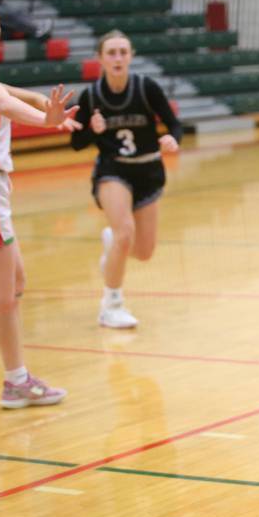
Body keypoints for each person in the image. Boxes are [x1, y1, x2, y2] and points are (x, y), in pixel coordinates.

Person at [0, 0, 77, 408]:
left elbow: (1, 92)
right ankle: (16, 379)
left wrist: (35, 99)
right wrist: (46, 120)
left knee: (13, 285)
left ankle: (17, 379)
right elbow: (0, 102)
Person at [71, 30, 182, 329]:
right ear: (100, 59)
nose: (118, 57)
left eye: (123, 52)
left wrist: (172, 137)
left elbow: (173, 123)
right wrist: (91, 130)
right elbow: (76, 143)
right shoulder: (92, 95)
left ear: (131, 56)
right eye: (111, 52)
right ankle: (111, 305)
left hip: (148, 170)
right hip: (113, 170)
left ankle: (113, 245)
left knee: (143, 252)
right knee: (124, 233)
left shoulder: (146, 88)